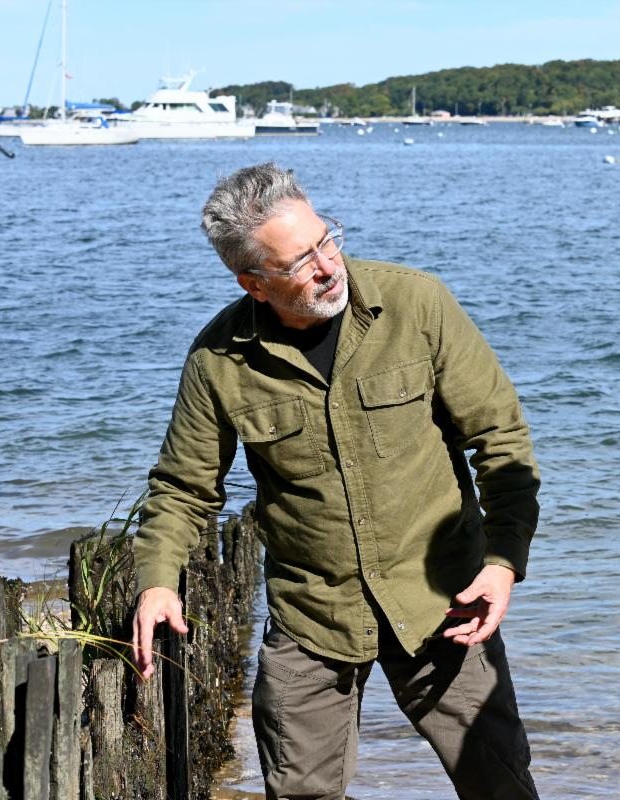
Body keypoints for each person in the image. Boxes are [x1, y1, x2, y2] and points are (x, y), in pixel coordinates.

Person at [130, 162, 541, 800]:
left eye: (328, 240)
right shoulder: (218, 359)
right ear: (254, 282)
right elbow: (184, 489)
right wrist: (158, 581)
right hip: (311, 617)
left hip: (445, 606)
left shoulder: (418, 303)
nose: (329, 265)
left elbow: (501, 440)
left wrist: (503, 562)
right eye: (301, 261)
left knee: (501, 788)